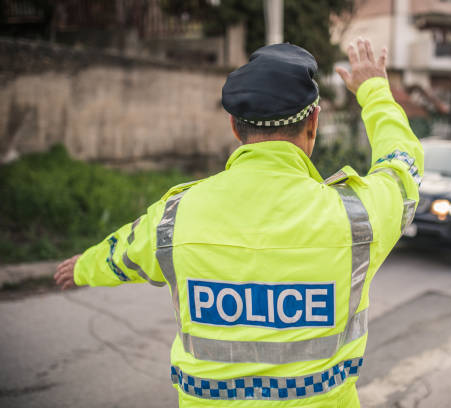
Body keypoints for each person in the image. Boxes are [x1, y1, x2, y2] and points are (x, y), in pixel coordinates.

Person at [54, 38, 423, 407]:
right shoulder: (358, 218)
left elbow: (123, 253)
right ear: (312, 124)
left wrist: (83, 268)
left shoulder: (175, 217)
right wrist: (374, 90)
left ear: (234, 126)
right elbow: (402, 165)